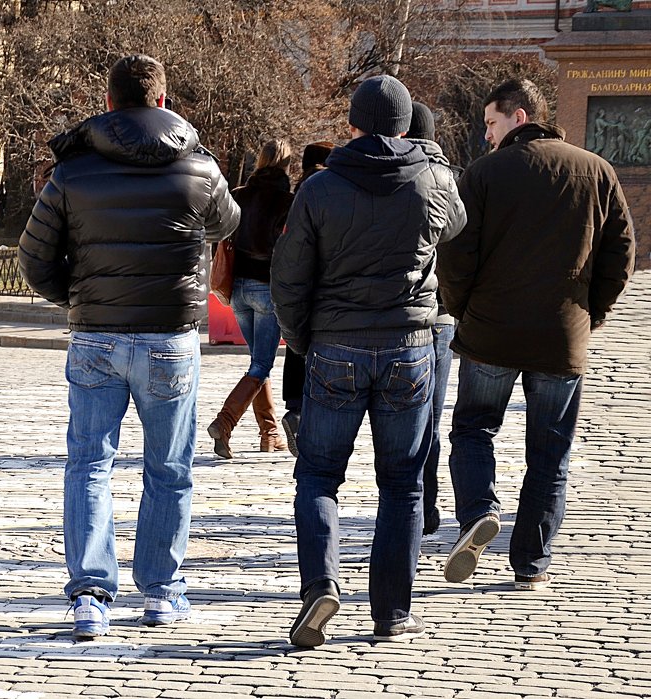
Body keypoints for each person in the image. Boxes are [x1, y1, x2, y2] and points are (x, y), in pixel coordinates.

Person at [18, 54, 239, 640]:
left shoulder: (72, 171)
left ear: (108, 103)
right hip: (170, 336)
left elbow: (34, 255)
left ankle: (91, 594)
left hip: (94, 334)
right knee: (169, 468)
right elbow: (228, 222)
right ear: (163, 102)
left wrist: (78, 296)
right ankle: (162, 593)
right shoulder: (198, 166)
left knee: (89, 464)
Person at [271, 75, 465, 647]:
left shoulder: (320, 188)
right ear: (406, 126)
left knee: (318, 475)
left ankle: (320, 588)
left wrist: (303, 339)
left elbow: (289, 277)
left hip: (335, 345)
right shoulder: (432, 178)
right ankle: (392, 612)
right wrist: (427, 155)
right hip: (409, 348)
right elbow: (455, 225)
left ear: (351, 126)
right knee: (402, 483)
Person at [438, 78, 635, 591]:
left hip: (491, 332)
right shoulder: (598, 171)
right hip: (560, 335)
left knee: (474, 430)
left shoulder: (483, 174)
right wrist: (591, 314)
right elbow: (621, 254)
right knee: (550, 453)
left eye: (491, 123)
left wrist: (459, 308)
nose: (486, 135)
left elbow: (457, 254)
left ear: (519, 117)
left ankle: (479, 510)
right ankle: (531, 561)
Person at [207, 139, 293, 458]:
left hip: (238, 292)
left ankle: (269, 433)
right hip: (268, 291)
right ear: (286, 165)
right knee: (261, 363)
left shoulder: (239, 194)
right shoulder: (288, 201)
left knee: (259, 362)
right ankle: (224, 422)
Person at [403, 102, 462, 537]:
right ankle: (426, 505)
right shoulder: (445, 179)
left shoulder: (398, 173)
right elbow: (457, 228)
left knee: (407, 422)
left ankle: (411, 502)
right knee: (431, 420)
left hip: (405, 314)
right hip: (439, 313)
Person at [278, 141, 335, 458]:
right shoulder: (326, 190)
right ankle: (308, 416)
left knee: (296, 344)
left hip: (295, 281)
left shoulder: (296, 191)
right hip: (322, 282)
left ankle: (295, 407)